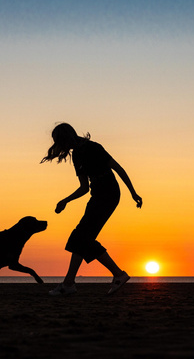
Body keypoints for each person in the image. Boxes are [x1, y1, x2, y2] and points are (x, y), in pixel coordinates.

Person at [41, 123, 143, 295]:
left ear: (66, 138)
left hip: (109, 194)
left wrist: (133, 193)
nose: (60, 146)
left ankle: (69, 284)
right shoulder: (77, 156)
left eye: (60, 141)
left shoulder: (93, 147)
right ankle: (117, 275)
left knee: (81, 237)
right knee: (82, 239)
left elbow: (118, 169)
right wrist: (65, 201)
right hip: (96, 195)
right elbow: (84, 188)